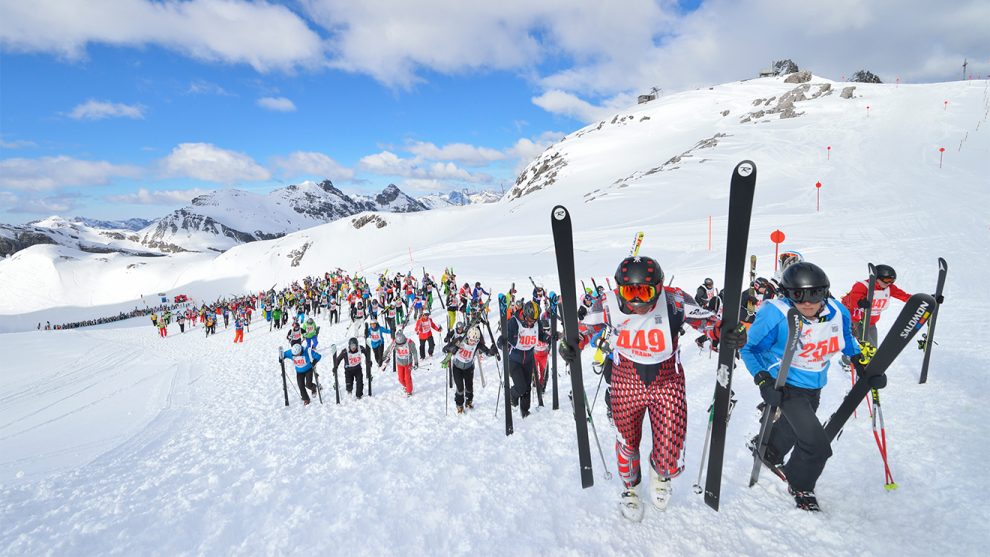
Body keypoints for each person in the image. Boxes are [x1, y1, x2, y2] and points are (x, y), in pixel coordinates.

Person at [559, 255, 742, 520]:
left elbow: (710, 323)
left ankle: (661, 474)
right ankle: (631, 489)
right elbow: (585, 329)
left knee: (671, 444)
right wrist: (571, 343)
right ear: (619, 288)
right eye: (629, 291)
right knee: (627, 443)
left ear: (658, 287)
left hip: (667, 380)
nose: (637, 301)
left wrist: (726, 333)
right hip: (626, 379)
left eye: (644, 291)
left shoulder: (674, 300)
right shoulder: (608, 303)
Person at [740, 262, 869, 512]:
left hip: (815, 382)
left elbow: (847, 339)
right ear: (788, 294)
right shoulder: (775, 313)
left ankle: (770, 450)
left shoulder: (838, 311)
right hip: (785, 383)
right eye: (798, 295)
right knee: (816, 445)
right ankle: (800, 483)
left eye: (815, 294)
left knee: (790, 426)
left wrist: (858, 359)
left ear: (825, 292)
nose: (807, 303)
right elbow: (749, 347)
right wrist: (763, 379)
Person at [498, 300, 551, 419]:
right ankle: (512, 394)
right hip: (514, 359)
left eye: (534, 321)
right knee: (521, 387)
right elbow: (504, 338)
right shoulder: (514, 322)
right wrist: (501, 343)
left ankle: (525, 411)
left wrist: (548, 337)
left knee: (527, 387)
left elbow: (541, 335)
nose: (532, 323)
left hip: (528, 358)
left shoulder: (537, 323)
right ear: (525, 314)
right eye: (530, 320)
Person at [840, 264, 912, 347]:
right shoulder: (862, 286)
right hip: (855, 321)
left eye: (892, 281)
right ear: (877, 278)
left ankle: (850, 359)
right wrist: (860, 302)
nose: (889, 283)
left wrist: (917, 300)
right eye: (886, 280)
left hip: (871, 322)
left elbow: (903, 295)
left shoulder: (889, 288)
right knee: (868, 348)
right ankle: (852, 358)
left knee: (873, 347)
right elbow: (854, 297)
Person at [443, 324, 497, 413]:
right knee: (460, 388)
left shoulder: (477, 344)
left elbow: (487, 352)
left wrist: (492, 352)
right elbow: (445, 349)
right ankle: (459, 405)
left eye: (475, 341)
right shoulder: (460, 340)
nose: (473, 342)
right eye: (472, 340)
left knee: (469, 387)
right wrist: (450, 349)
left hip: (468, 368)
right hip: (457, 367)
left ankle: (469, 401)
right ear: (468, 336)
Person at [392, 330, 419, 396]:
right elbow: (388, 349)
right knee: (401, 379)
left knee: (407, 378)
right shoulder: (394, 342)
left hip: (408, 363)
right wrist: (384, 357)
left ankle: (409, 391)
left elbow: (414, 353)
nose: (400, 345)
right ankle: (406, 386)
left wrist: (416, 363)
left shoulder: (409, 342)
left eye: (402, 344)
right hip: (399, 363)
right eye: (399, 344)